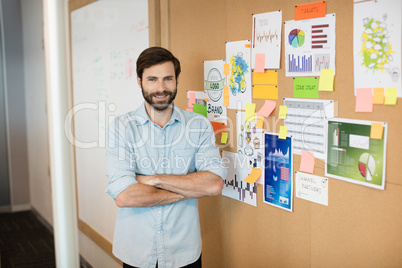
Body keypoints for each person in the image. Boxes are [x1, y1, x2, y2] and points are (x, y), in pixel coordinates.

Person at [105, 47, 227, 268]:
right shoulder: (121, 128)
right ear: (139, 81)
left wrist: (153, 179)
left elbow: (213, 185)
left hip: (185, 252)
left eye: (167, 79)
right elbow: (124, 196)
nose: (161, 88)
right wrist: (188, 188)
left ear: (177, 80)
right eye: (152, 79)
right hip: (137, 253)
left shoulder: (198, 126)